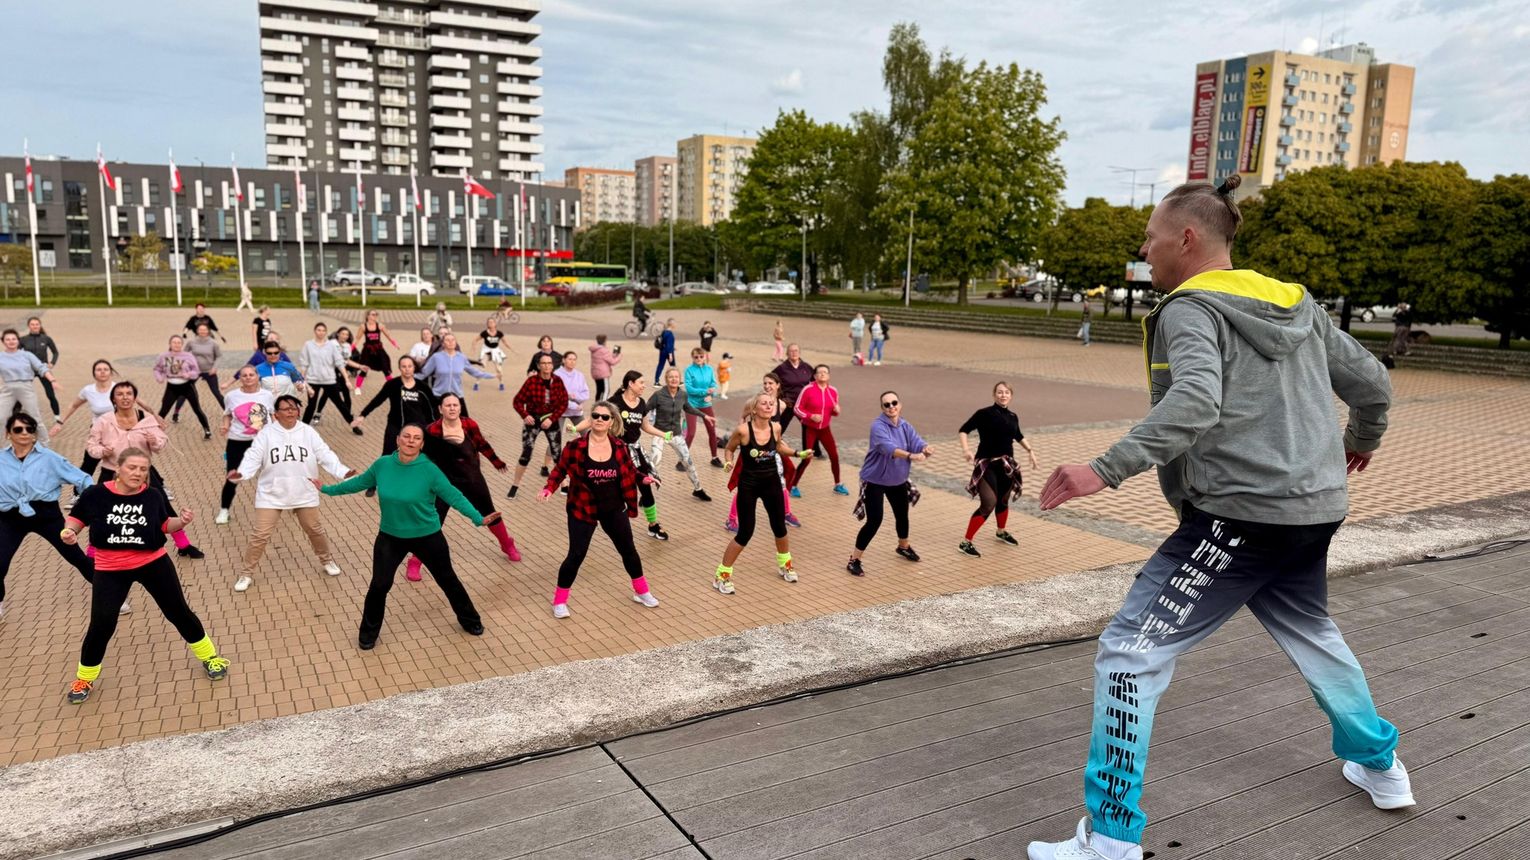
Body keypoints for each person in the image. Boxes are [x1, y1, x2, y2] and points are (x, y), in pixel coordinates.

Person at [1028, 176, 1405, 860]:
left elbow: (1196, 400)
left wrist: (1104, 469)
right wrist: (1363, 439)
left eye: (1150, 238)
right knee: (1312, 632)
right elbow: (1374, 384)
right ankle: (1381, 767)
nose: (1144, 251)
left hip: (1238, 519)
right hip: (1314, 511)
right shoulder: (1295, 301)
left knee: (1129, 654)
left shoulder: (1190, 308)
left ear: (1186, 238)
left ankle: (1109, 837)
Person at [61, 447, 229, 704]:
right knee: (102, 624)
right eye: (132, 467)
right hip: (110, 568)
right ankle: (85, 678)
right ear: (118, 468)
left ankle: (210, 658)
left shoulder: (152, 495)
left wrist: (182, 522)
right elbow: (76, 519)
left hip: (153, 562)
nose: (137, 473)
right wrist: (70, 532)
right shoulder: (95, 494)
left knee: (178, 612)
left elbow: (165, 524)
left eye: (143, 469)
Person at [321, 424, 500, 650]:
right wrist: (326, 489)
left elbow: (454, 496)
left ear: (422, 444)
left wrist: (477, 518)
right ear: (398, 440)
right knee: (379, 585)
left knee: (448, 580)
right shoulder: (382, 465)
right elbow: (358, 483)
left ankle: (471, 620)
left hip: (428, 536)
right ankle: (368, 634)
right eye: (406, 436)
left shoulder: (430, 470)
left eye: (416, 438)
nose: (411, 441)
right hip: (390, 537)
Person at [538, 400, 657, 618]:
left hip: (614, 509)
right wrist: (549, 489)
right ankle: (559, 601)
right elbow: (559, 470)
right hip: (583, 509)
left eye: (604, 417)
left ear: (612, 422)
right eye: (595, 416)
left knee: (628, 551)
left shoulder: (619, 447)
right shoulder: (575, 447)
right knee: (576, 555)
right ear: (590, 419)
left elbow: (630, 471)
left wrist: (644, 479)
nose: (599, 420)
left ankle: (642, 592)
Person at [226, 395, 354, 592]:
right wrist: (241, 474)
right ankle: (246, 573)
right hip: (271, 494)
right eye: (285, 409)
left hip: (303, 491)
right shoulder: (266, 434)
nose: (290, 412)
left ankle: (327, 560)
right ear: (276, 414)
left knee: (314, 530)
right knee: (260, 535)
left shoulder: (308, 432)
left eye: (294, 408)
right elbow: (253, 457)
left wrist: (343, 472)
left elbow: (325, 454)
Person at [0, 406, 109, 622]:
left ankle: (110, 594)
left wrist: (93, 505)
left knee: (76, 557)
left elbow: (82, 479)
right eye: (18, 429)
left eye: (29, 429)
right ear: (8, 433)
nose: (24, 433)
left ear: (35, 433)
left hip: (46, 515)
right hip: (9, 517)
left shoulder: (50, 458)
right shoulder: (1, 459)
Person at [86, 381, 204, 559]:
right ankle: (92, 552)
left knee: (163, 506)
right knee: (102, 511)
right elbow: (91, 446)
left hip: (144, 473)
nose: (125, 397)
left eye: (129, 393)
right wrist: (103, 451)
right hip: (112, 472)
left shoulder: (146, 419)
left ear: (134, 397)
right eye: (120, 394)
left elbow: (160, 444)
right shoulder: (104, 421)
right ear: (113, 399)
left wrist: (154, 441)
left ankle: (183, 545)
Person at [416, 392, 521, 580]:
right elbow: (424, 457)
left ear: (460, 407)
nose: (452, 408)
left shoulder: (469, 424)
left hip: (472, 478)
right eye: (448, 405)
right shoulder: (432, 430)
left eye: (455, 405)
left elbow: (481, 444)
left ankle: (507, 544)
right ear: (440, 409)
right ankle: (415, 561)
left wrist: (496, 462)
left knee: (489, 512)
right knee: (433, 520)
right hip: (444, 483)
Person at [713, 393, 811, 594]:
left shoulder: (776, 427)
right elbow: (729, 448)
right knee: (745, 532)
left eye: (771, 404)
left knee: (779, 526)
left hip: (771, 483)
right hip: (749, 485)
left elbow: (779, 445)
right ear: (754, 409)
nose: (768, 406)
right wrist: (729, 461)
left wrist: (797, 453)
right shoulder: (743, 430)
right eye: (764, 403)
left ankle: (785, 565)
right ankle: (721, 575)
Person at [846, 390, 932, 577]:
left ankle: (903, 547)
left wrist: (925, 447)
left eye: (894, 403)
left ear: (900, 405)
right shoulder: (878, 426)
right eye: (887, 404)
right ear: (882, 408)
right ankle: (854, 560)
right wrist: (910, 455)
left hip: (897, 479)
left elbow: (916, 441)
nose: (891, 407)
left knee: (902, 514)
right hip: (875, 480)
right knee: (874, 520)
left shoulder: (905, 425)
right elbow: (887, 448)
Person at [577, 371, 671, 538]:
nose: (644, 386)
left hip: (635, 451)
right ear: (630, 384)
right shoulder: (615, 402)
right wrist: (575, 428)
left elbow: (645, 427)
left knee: (646, 487)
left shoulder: (642, 403)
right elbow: (595, 418)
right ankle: (598, 518)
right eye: (641, 383)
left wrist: (663, 434)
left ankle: (653, 525)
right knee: (613, 487)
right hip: (617, 451)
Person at [956, 381, 1037, 557]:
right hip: (987, 464)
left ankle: (1001, 531)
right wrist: (966, 450)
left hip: (1006, 465)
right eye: (1000, 392)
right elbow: (964, 430)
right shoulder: (984, 413)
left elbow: (1018, 435)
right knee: (988, 503)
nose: (1003, 395)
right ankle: (966, 542)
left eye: (1006, 392)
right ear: (994, 395)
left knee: (1003, 500)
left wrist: (1030, 451)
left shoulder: (1013, 416)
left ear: (1011, 396)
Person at [723, 373, 801, 532]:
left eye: (771, 383)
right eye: (765, 383)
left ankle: (786, 513)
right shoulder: (753, 402)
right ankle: (731, 519)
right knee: (744, 485)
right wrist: (744, 438)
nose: (767, 386)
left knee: (782, 480)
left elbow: (778, 428)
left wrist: (780, 442)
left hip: (771, 449)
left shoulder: (781, 405)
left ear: (778, 385)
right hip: (753, 448)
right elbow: (742, 418)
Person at [214, 365, 275, 525]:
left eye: (251, 375)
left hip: (263, 441)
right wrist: (225, 426)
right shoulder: (231, 396)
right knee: (232, 476)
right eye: (244, 375)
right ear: (240, 378)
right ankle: (224, 510)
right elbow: (227, 414)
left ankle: (283, 504)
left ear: (257, 376)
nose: (248, 378)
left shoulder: (267, 395)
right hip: (238, 441)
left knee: (274, 473)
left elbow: (272, 415)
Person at [507, 353, 568, 496]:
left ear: (553, 366)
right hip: (533, 420)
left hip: (551, 419)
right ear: (539, 366)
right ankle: (515, 484)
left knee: (557, 454)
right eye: (544, 363)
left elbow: (564, 403)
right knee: (526, 454)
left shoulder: (558, 381)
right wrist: (525, 415)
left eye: (549, 363)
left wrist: (552, 419)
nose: (547, 366)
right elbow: (517, 401)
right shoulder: (531, 382)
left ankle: (564, 484)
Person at [649, 367, 712, 502]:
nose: (674, 379)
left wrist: (704, 416)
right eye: (671, 377)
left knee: (688, 462)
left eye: (676, 377)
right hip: (660, 433)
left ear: (679, 379)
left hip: (676, 434)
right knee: (654, 463)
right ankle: (646, 494)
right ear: (666, 379)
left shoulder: (682, 395)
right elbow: (645, 409)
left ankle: (698, 489)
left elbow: (688, 408)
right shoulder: (658, 395)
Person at [54, 359, 118, 485]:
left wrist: (153, 415)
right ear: (94, 373)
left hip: (117, 431)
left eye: (105, 369)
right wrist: (60, 423)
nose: (102, 372)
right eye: (99, 370)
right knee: (89, 464)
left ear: (111, 372)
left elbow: (135, 403)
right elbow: (73, 405)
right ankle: (78, 491)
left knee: (121, 461)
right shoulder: (88, 390)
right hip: (97, 432)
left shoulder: (117, 388)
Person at [790, 364, 847, 496]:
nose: (822, 374)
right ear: (815, 376)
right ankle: (793, 486)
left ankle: (837, 484)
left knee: (834, 456)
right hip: (810, 428)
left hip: (825, 429)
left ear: (829, 376)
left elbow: (833, 411)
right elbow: (797, 408)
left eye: (825, 372)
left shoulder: (833, 391)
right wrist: (811, 416)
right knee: (807, 458)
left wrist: (836, 411)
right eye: (819, 372)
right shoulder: (808, 389)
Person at [0, 328, 57, 446]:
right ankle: (3, 446)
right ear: (3, 341)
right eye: (8, 339)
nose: (11, 341)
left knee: (34, 416)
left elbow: (41, 367)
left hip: (25, 387)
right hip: (7, 389)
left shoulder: (27, 355)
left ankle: (44, 444)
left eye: (14, 339)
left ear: (18, 341)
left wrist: (52, 380)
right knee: (1, 417)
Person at [298, 323, 359, 431]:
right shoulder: (308, 345)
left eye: (323, 330)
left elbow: (339, 363)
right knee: (311, 406)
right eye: (319, 330)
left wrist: (347, 380)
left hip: (329, 380)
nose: (321, 332)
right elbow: (304, 363)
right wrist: (303, 380)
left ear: (326, 332)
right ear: (315, 331)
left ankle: (353, 424)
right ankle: (302, 428)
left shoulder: (331, 345)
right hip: (313, 380)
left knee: (340, 404)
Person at [152, 336, 212, 439]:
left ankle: (207, 429)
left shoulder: (188, 356)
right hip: (171, 387)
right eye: (174, 342)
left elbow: (196, 371)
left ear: (182, 344)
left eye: (179, 343)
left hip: (187, 386)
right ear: (170, 344)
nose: (176, 344)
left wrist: (188, 374)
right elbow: (157, 369)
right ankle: (154, 431)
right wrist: (159, 377)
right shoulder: (163, 356)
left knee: (197, 409)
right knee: (163, 410)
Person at [419, 333, 494, 415]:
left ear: (456, 343)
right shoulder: (436, 357)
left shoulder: (461, 357)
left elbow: (474, 371)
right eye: (447, 340)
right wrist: (410, 378)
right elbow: (424, 373)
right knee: (435, 420)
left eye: (453, 340)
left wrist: (492, 376)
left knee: (464, 420)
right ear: (443, 343)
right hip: (438, 395)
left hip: (457, 395)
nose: (450, 342)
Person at [683, 348, 724, 468]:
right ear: (692, 357)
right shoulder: (689, 370)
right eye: (696, 357)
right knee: (691, 433)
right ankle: (682, 459)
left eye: (701, 356)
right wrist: (705, 392)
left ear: (705, 357)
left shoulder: (709, 369)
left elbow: (713, 385)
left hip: (706, 405)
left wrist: (712, 395)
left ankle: (714, 458)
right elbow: (689, 389)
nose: (699, 359)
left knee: (712, 431)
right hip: (692, 405)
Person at [19, 317, 61, 417]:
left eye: (37, 324)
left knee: (51, 395)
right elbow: (16, 354)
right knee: (21, 392)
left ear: (40, 325)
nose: (35, 326)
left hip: (43, 369)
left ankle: (57, 417)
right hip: (29, 370)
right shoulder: (23, 340)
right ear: (29, 326)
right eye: (32, 324)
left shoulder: (46, 339)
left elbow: (55, 352)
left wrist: (52, 363)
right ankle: (15, 415)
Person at [771, 344, 813, 439]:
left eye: (796, 351)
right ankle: (771, 444)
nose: (794, 353)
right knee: (779, 427)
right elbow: (771, 380)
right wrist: (777, 396)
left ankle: (810, 447)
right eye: (791, 351)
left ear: (799, 352)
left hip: (803, 404)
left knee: (808, 427)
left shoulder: (806, 367)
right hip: (787, 403)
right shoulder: (781, 368)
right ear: (787, 353)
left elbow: (815, 382)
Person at [182, 323, 225, 413]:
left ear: (208, 331)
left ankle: (228, 411)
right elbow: (184, 354)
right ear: (197, 331)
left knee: (216, 392)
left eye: (204, 330)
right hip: (194, 371)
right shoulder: (191, 342)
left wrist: (214, 368)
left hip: (209, 371)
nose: (202, 331)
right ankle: (176, 412)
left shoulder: (213, 343)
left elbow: (219, 356)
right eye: (200, 330)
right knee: (185, 391)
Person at [354, 309, 400, 392]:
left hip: (379, 350)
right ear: (368, 316)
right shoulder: (363, 326)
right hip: (367, 351)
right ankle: (357, 388)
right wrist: (351, 348)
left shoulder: (380, 326)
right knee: (364, 370)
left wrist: (395, 344)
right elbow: (357, 339)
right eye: (373, 314)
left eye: (376, 314)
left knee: (385, 368)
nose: (375, 316)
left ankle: (393, 387)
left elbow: (389, 336)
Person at [555, 349, 591, 435]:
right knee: (556, 438)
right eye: (570, 359)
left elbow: (586, 394)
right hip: (560, 411)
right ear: (564, 360)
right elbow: (557, 396)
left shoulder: (579, 375)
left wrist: (574, 396)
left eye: (574, 359)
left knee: (586, 435)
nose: (572, 362)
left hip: (576, 412)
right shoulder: (556, 375)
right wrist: (574, 405)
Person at [473, 317, 509, 391]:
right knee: (482, 367)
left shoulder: (499, 333)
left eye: (492, 322)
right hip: (486, 351)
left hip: (495, 351)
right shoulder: (484, 333)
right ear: (487, 324)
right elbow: (476, 339)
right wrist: (474, 347)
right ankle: (477, 383)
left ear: (495, 324)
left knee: (499, 369)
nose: (490, 323)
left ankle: (501, 383)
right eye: (489, 322)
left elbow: (505, 342)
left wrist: (512, 349)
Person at [588, 334, 622, 402]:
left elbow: (606, 357)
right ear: (604, 341)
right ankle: (602, 404)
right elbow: (612, 362)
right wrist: (619, 357)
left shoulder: (595, 350)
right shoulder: (604, 350)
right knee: (606, 390)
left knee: (599, 390)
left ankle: (597, 404)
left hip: (595, 373)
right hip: (603, 374)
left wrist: (614, 355)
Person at [1383, 301, 1413, 369]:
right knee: (1404, 339)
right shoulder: (1408, 312)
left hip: (1400, 327)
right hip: (1406, 327)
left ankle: (1395, 350)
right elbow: (1410, 319)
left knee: (1397, 338)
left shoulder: (1399, 312)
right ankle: (1407, 350)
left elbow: (1395, 316)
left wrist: (1398, 309)